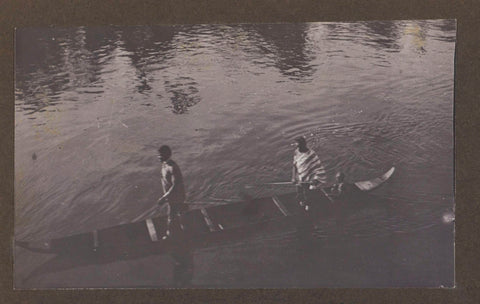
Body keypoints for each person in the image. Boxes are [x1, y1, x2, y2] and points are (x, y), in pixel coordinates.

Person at [157, 145, 187, 240]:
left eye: (161, 155)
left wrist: (164, 197)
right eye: (158, 155)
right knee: (179, 214)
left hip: (176, 197)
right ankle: (182, 232)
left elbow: (176, 185)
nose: (159, 157)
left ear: (167, 155)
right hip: (172, 197)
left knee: (172, 216)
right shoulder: (165, 165)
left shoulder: (172, 167)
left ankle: (170, 236)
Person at [291, 136, 327, 211]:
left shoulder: (311, 154)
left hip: (308, 178)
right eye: (296, 145)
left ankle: (308, 205)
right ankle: (302, 202)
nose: (297, 147)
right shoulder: (296, 152)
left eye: (298, 145)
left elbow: (318, 168)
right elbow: (294, 166)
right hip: (299, 177)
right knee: (299, 191)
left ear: (303, 144)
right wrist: (294, 177)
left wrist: (315, 179)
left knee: (307, 193)